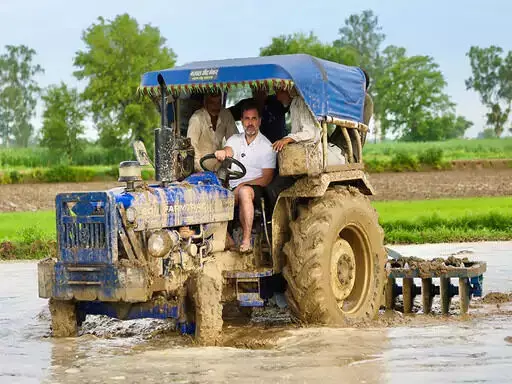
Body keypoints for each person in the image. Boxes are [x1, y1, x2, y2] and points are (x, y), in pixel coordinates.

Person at [214, 99, 276, 253]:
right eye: (247, 119)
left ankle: (246, 240)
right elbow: (229, 151)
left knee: (244, 192)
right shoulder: (234, 140)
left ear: (259, 121)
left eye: (254, 119)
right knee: (212, 191)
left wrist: (244, 184)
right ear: (241, 121)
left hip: (257, 188)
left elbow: (267, 178)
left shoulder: (267, 146)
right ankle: (223, 237)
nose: (250, 123)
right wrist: (223, 153)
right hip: (233, 186)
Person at [187, 91, 238, 172]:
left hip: (221, 169)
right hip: (200, 170)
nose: (216, 106)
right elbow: (191, 147)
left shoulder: (226, 114)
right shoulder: (196, 119)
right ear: (205, 102)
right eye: (212, 103)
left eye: (218, 102)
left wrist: (227, 152)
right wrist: (200, 171)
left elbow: (235, 140)